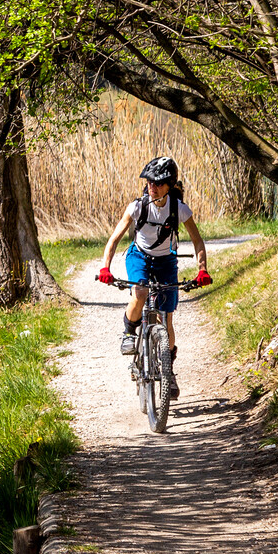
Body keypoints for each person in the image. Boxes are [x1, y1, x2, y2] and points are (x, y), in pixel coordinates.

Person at [95, 156, 211, 399]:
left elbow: (198, 242)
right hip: (139, 256)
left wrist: (202, 270)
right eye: (149, 182)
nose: (152, 187)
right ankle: (129, 332)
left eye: (157, 183)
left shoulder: (179, 210)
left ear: (169, 185)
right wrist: (105, 268)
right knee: (141, 291)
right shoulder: (137, 207)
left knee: (167, 319)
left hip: (166, 261)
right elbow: (114, 239)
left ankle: (168, 372)